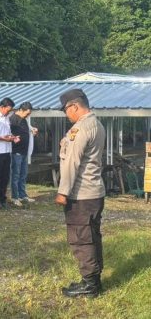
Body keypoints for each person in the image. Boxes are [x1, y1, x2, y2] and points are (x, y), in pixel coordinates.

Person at [56, 89, 105, 298]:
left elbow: (71, 163)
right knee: (92, 236)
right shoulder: (97, 124)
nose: (66, 114)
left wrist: (63, 192)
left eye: (66, 110)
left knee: (81, 239)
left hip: (81, 195)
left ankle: (89, 285)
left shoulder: (80, 128)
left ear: (74, 106)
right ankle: (93, 280)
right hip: (94, 192)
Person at [10, 102, 36, 207]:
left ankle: (22, 195)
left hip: (24, 151)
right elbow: (8, 133)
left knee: (23, 174)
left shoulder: (24, 120)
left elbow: (26, 131)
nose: (28, 115)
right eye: (27, 113)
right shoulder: (13, 119)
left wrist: (32, 131)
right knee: (16, 175)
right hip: (16, 151)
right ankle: (15, 197)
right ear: (21, 110)